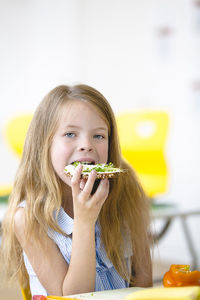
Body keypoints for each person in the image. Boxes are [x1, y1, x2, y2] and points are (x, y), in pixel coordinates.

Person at [0, 84, 152, 297]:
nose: (86, 145)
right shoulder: (28, 219)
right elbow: (73, 297)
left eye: (99, 136)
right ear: (45, 144)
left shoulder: (125, 191)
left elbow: (143, 283)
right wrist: (85, 221)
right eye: (70, 134)